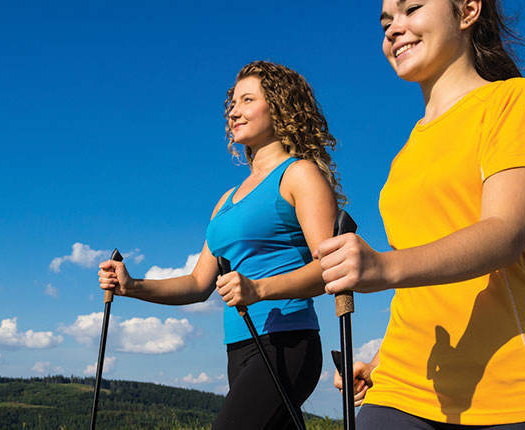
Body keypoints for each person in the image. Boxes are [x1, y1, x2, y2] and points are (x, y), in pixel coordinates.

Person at [317, 0, 525, 428]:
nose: (394, 29)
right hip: (402, 387)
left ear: (467, 11)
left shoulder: (512, 100)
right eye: (387, 21)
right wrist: (378, 360)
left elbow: (505, 234)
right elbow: (416, 283)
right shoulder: (405, 154)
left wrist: (381, 266)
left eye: (411, 9)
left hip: (512, 398)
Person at [98, 60, 342, 429]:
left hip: (286, 342)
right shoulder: (226, 200)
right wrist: (132, 286)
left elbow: (331, 268)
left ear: (279, 107)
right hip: (239, 348)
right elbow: (198, 284)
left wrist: (259, 288)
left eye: (247, 100)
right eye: (232, 103)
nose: (234, 111)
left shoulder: (299, 174)